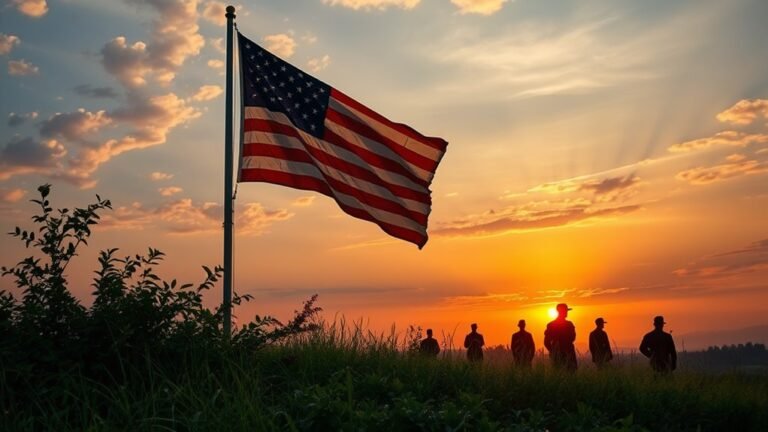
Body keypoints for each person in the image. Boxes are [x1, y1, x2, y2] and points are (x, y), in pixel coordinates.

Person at [544, 303, 577, 372]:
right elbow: (573, 338)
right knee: (570, 374)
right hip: (568, 353)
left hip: (559, 354)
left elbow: (546, 342)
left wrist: (553, 351)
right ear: (561, 311)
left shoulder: (551, 325)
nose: (566, 313)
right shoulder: (569, 324)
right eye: (565, 311)